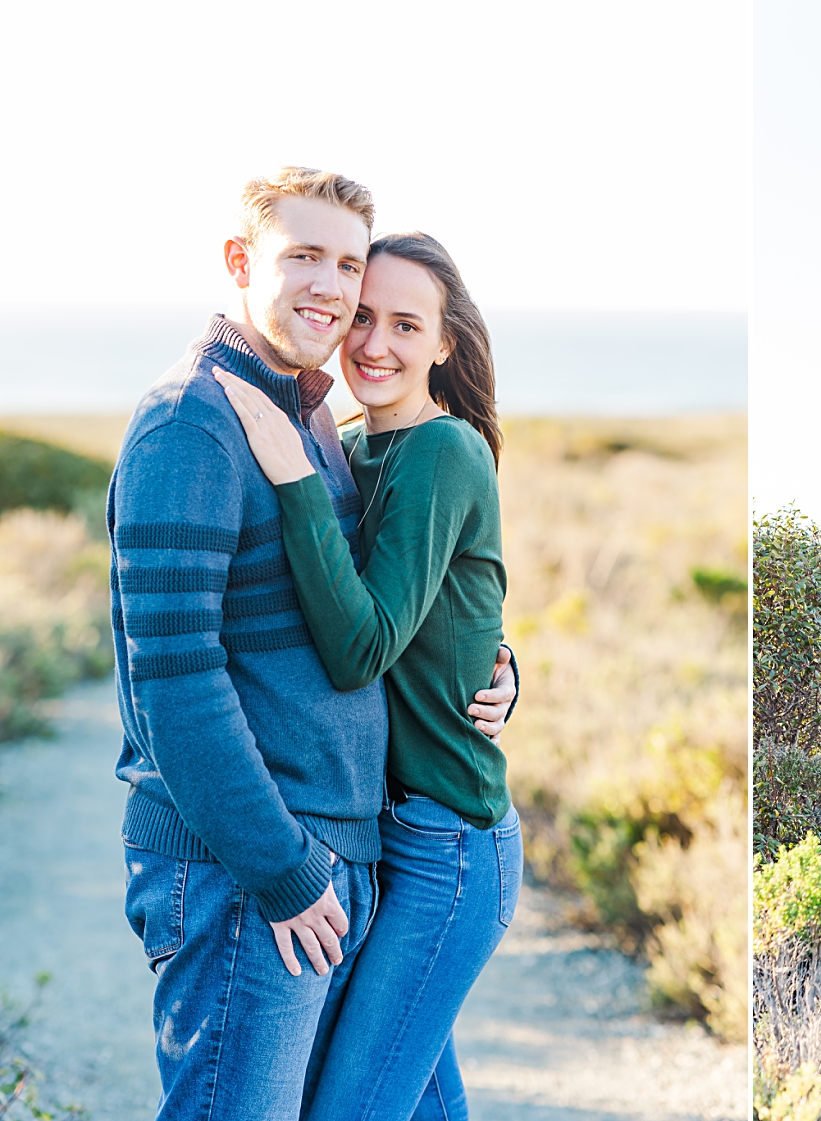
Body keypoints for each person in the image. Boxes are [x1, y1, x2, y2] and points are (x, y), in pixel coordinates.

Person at [111, 168, 515, 1120]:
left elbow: (405, 598)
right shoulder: (191, 424)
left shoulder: (310, 421)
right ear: (241, 262)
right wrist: (285, 869)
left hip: (346, 856)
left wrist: (494, 663)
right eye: (305, 258)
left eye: (347, 264)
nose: (335, 294)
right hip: (255, 873)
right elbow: (174, 681)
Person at [215, 230, 516, 1120]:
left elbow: (363, 645)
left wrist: (293, 476)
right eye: (363, 318)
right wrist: (503, 661)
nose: (375, 345)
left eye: (406, 324)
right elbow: (457, 614)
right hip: (380, 833)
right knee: (414, 1095)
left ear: (445, 341)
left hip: (448, 845)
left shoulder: (443, 450)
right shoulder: (355, 445)